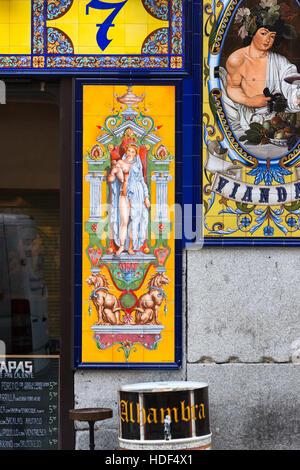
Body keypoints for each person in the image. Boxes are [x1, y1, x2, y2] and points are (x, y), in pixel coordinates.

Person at [219, 1, 300, 131]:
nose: (268, 39)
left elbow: (290, 78)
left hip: (275, 118)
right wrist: (248, 101)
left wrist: (296, 96)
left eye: (272, 36)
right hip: (247, 116)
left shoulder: (279, 61)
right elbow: (232, 88)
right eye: (263, 33)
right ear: (252, 32)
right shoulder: (237, 59)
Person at [108, 143, 150, 256]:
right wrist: (113, 173)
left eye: (133, 151)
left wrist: (146, 197)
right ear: (126, 152)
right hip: (124, 193)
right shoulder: (120, 163)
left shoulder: (137, 165)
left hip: (137, 194)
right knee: (124, 221)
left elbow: (142, 181)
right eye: (129, 151)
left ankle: (131, 247)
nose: (130, 153)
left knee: (134, 221)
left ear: (135, 154)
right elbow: (111, 179)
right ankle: (122, 246)